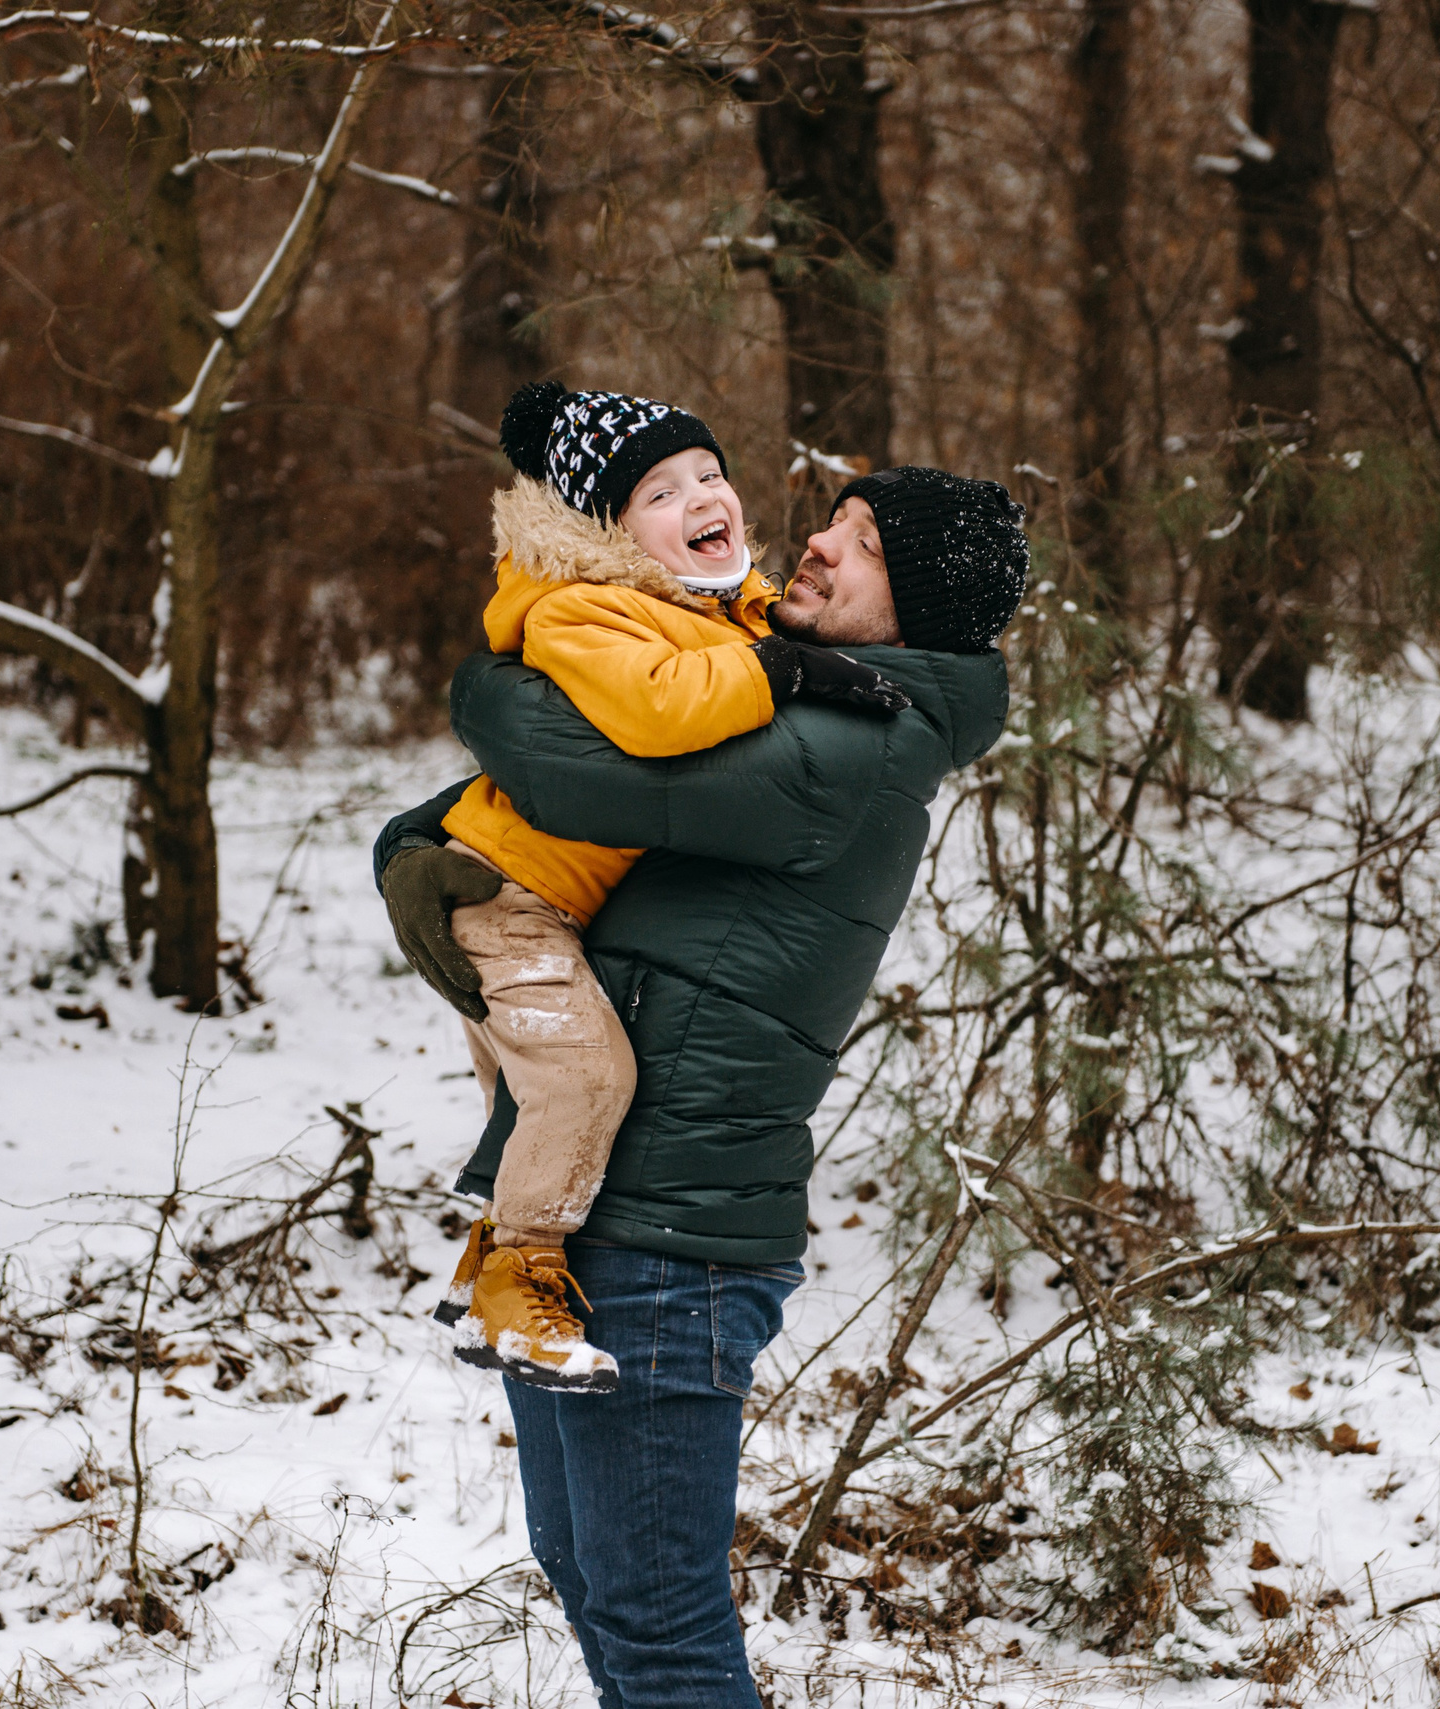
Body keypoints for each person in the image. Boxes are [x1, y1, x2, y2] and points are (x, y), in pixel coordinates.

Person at [375, 465, 1028, 1708]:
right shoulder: (813, 703)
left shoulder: (856, 741)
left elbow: (567, 772)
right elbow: (549, 806)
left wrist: (487, 664)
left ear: (924, 606)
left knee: (658, 1621)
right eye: (833, 516)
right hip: (607, 1215)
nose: (821, 544)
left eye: (868, 541)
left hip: (675, 1238)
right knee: (586, 1568)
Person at [402, 381, 915, 1393]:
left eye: (709, 474)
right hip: (507, 893)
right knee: (588, 1078)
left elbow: (756, 639)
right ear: (606, 535)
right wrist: (788, 673)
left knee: (538, 1095)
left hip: (551, 901)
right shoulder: (580, 607)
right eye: (661, 493)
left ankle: (494, 1259)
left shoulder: (708, 602)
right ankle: (519, 1277)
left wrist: (794, 644)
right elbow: (657, 711)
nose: (701, 497)